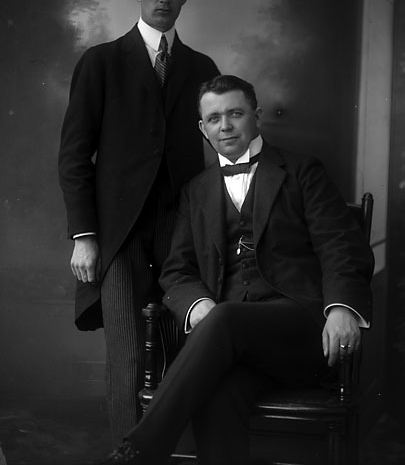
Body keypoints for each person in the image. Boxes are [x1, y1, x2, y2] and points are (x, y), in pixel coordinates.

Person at [92, 74, 374, 465]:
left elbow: (340, 245)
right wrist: (198, 306)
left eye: (235, 114)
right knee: (217, 394)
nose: (224, 126)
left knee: (224, 319)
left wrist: (342, 307)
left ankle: (139, 451)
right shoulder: (196, 191)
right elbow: (177, 271)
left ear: (256, 116)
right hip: (234, 347)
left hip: (302, 336)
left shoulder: (303, 171)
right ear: (202, 129)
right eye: (214, 119)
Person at [58, 0, 219, 442]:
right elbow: (74, 157)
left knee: (183, 351)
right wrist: (84, 236)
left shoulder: (201, 68)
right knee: (128, 356)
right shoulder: (102, 62)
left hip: (180, 233)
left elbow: (222, 148)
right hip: (119, 234)